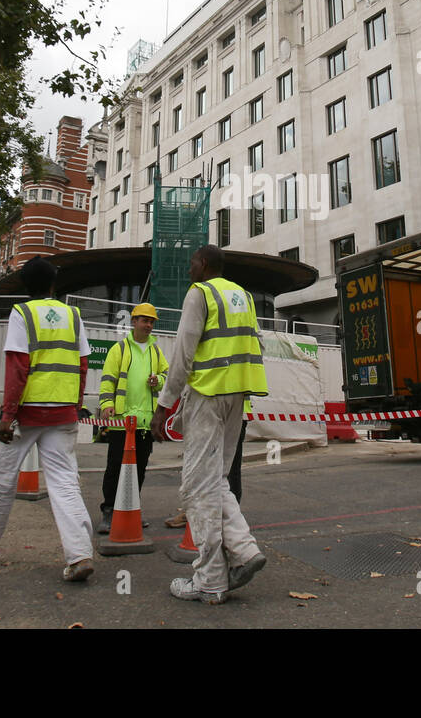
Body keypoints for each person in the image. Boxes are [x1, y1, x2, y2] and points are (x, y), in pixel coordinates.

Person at [0, 257, 96, 582]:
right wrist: (75, 404)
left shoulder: (22, 313)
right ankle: (80, 555)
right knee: (64, 481)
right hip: (62, 412)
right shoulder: (73, 315)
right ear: (52, 284)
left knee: (1, 480)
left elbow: (18, 365)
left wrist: (8, 415)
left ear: (26, 285)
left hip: (27, 413)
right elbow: (83, 363)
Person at [151, 244, 267, 604]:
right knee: (215, 479)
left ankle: (210, 581)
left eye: (191, 264)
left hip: (207, 392)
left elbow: (184, 351)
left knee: (196, 487)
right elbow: (255, 342)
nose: (189, 270)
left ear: (203, 264)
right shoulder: (243, 296)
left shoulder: (200, 293)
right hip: (238, 394)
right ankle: (244, 551)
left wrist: (164, 405)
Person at [97, 303, 169, 534]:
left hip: (145, 422)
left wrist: (157, 379)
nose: (148, 325)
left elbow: (166, 376)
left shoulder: (156, 351)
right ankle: (109, 511)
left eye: (151, 322)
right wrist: (107, 404)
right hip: (122, 421)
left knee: (138, 470)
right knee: (115, 468)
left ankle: (130, 510)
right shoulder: (119, 349)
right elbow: (108, 379)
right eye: (144, 320)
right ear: (134, 321)